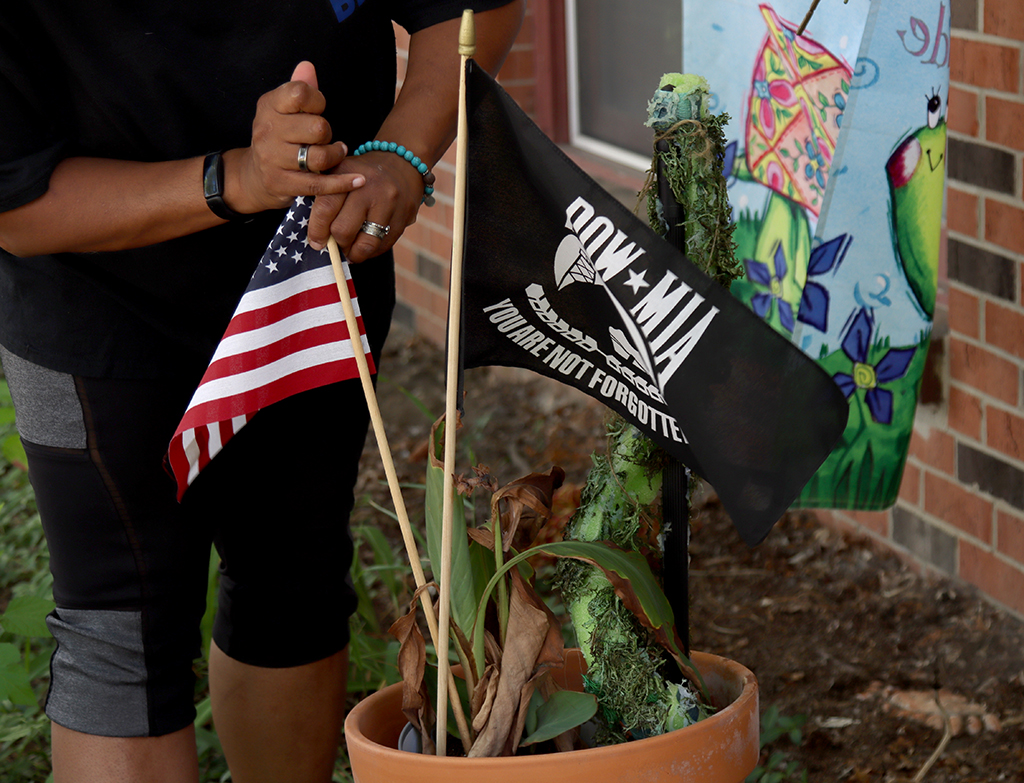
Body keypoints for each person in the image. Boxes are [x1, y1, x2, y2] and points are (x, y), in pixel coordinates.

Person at [0, 2, 524, 781]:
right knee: (123, 631)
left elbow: (480, 13)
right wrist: (236, 177)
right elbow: (14, 202)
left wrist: (401, 153)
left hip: (312, 276)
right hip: (93, 308)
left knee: (295, 584)